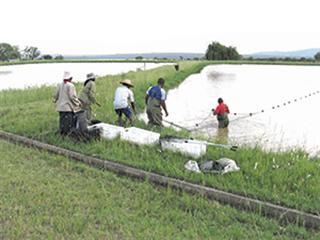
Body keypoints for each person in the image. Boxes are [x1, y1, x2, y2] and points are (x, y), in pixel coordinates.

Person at [53, 71, 82, 136]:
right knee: (68, 123)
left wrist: (55, 100)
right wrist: (78, 103)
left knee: (62, 122)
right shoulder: (71, 86)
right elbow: (72, 97)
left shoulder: (60, 84)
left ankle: (61, 133)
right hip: (68, 107)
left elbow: (55, 95)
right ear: (70, 78)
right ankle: (68, 135)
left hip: (61, 107)